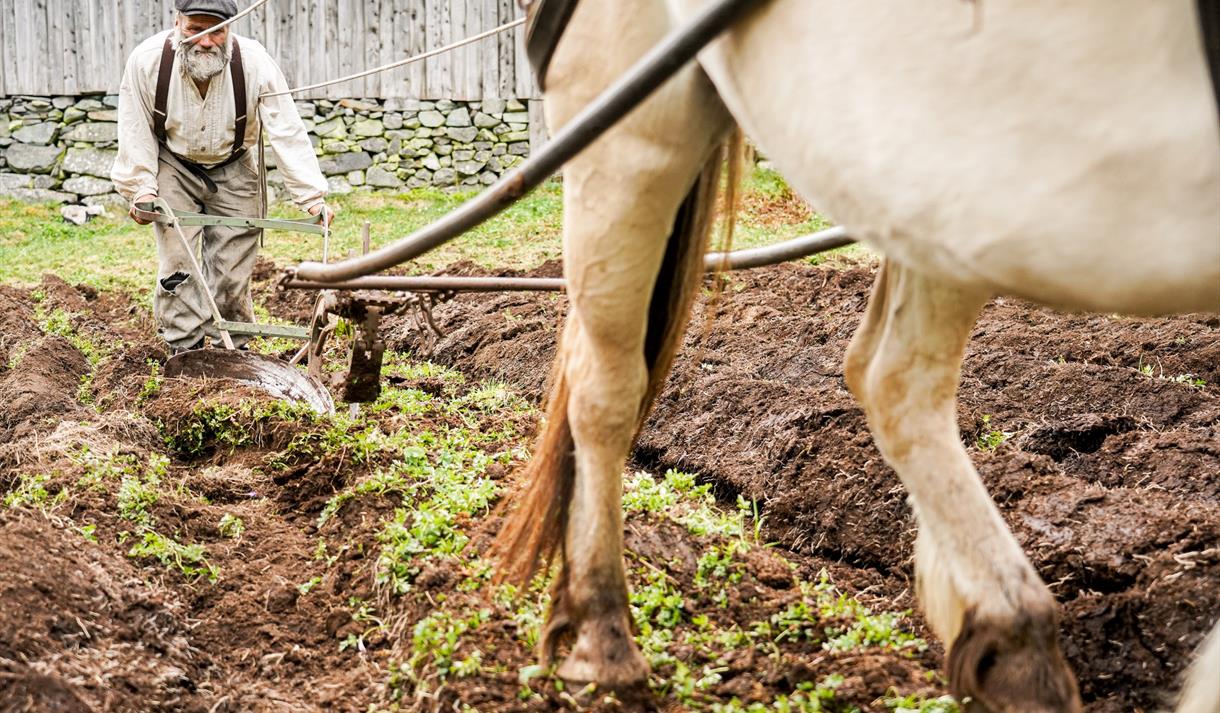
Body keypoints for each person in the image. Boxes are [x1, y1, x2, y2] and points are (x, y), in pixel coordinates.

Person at [111, 0, 334, 353]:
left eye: (216, 31)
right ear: (176, 23)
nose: (205, 41)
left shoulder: (254, 61)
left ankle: (232, 347)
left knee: (232, 270)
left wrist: (310, 196)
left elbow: (286, 127)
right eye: (194, 30)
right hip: (174, 164)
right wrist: (140, 189)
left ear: (230, 29)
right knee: (178, 262)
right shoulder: (147, 60)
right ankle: (185, 349)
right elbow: (135, 125)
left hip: (235, 164)